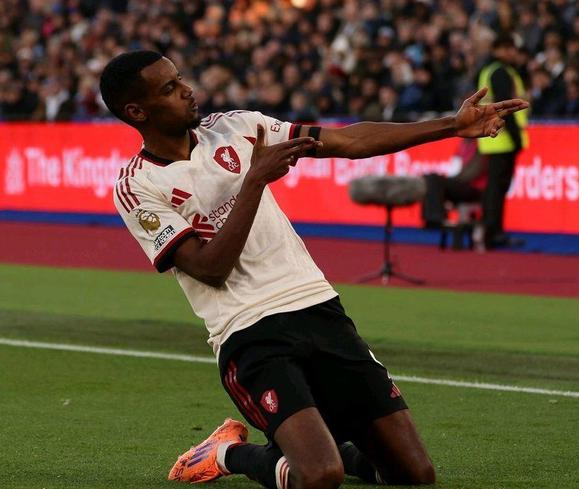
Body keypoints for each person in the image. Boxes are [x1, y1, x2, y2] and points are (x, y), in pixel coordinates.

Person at [100, 50, 528, 489]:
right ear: (137, 111)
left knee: (414, 474)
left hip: (318, 307)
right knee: (320, 476)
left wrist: (451, 126)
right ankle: (228, 453)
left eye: (180, 78)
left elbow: (348, 141)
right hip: (249, 332)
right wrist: (254, 182)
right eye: (169, 88)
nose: (187, 90)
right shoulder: (137, 186)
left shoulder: (238, 127)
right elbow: (211, 270)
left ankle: (325, 447)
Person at [476, 34, 530, 249]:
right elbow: (506, 108)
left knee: (494, 188)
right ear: (497, 50)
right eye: (507, 48)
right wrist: (517, 138)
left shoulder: (490, 71)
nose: (511, 53)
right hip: (503, 138)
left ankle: (491, 230)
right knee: (497, 189)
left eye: (512, 48)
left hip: (493, 138)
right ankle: (493, 232)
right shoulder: (501, 72)